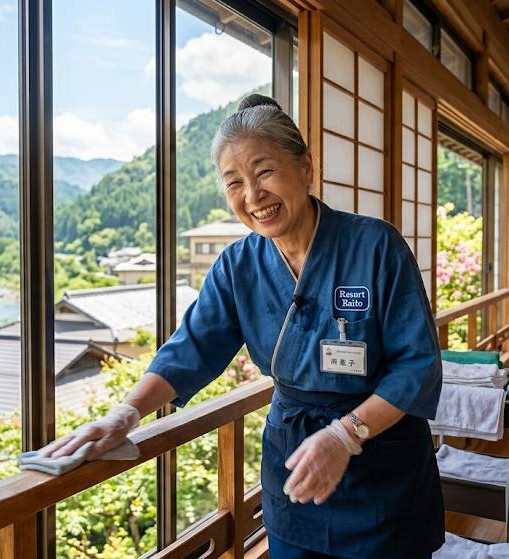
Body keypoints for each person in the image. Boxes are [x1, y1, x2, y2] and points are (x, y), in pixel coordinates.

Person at [39, 94, 445, 558]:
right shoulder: (237, 265)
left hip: (381, 464)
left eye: (265, 171)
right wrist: (124, 414)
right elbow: (190, 349)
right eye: (234, 182)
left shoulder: (375, 245)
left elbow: (417, 364)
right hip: (294, 468)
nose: (253, 196)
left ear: (306, 167)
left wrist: (345, 434)